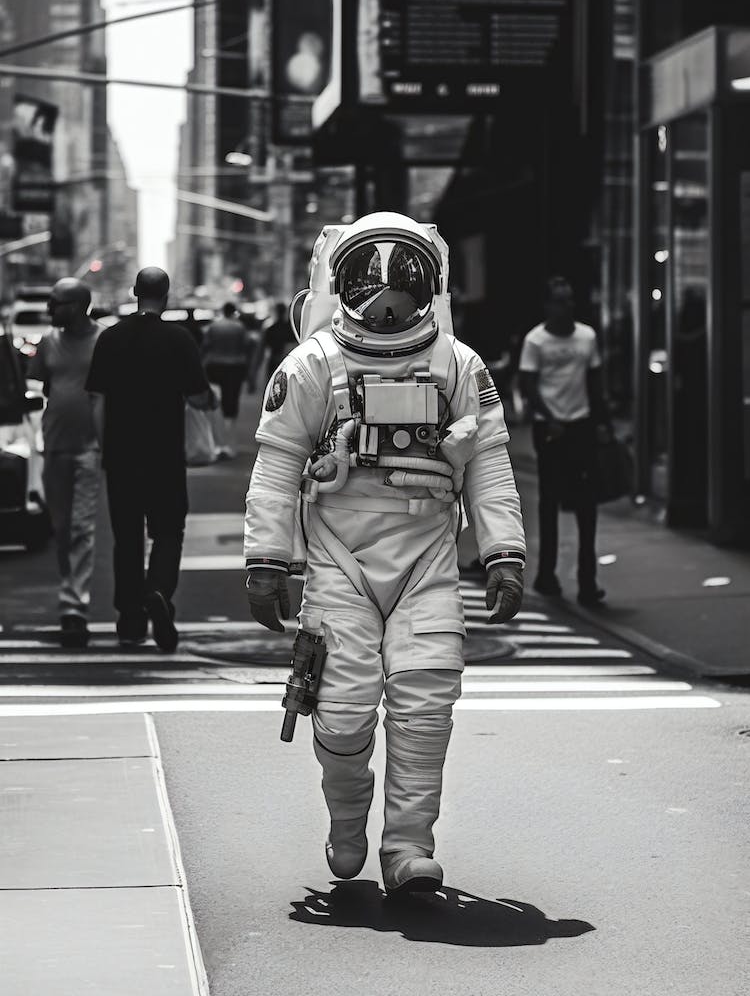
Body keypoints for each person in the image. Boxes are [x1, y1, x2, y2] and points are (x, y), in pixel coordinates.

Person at [243, 213, 526, 896]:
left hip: (427, 553)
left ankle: (407, 848)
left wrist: (503, 551)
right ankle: (348, 819)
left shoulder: (458, 365)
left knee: (426, 700)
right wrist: (266, 558)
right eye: (374, 273)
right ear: (342, 281)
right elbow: (278, 463)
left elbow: (487, 461)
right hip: (341, 556)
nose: (389, 290)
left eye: (405, 272)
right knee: (341, 710)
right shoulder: (314, 364)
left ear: (430, 280)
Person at [86, 266, 216, 651]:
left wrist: (102, 446)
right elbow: (198, 397)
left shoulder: (110, 338)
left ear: (134, 292)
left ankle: (129, 620)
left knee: (126, 538)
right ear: (168, 295)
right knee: (168, 531)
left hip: (121, 456)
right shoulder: (180, 339)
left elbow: (96, 400)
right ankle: (158, 590)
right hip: (165, 455)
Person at [519, 275, 611, 607]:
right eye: (560, 300)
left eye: (570, 299)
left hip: (581, 426)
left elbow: (594, 381)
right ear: (547, 305)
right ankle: (547, 576)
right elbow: (528, 385)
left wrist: (602, 424)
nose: (567, 305)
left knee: (587, 505)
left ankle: (588, 581)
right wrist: (549, 416)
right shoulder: (536, 341)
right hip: (550, 429)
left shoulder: (587, 336)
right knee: (550, 503)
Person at [27, 278, 102, 648]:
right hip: (54, 445)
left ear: (78, 306)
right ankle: (70, 591)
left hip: (90, 447)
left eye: (56, 303)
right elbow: (39, 390)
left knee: (81, 527)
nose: (50, 310)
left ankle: (75, 607)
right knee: (59, 528)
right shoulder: (48, 343)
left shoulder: (103, 339)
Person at [202, 302, 251, 453]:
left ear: (223, 311)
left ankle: (218, 442)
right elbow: (246, 346)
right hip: (235, 367)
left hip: (214, 367)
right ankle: (229, 441)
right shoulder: (239, 327)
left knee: (216, 403)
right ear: (233, 312)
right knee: (231, 402)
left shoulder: (213, 327)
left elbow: (205, 346)